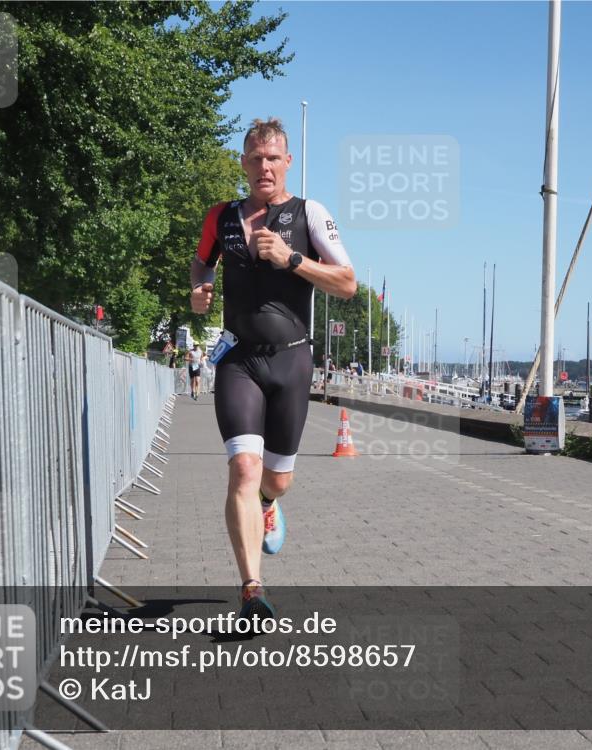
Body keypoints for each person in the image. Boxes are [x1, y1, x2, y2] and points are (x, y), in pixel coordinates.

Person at [190, 117, 356, 620]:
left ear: (287, 163)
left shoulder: (309, 213)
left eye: (273, 158)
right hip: (238, 359)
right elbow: (200, 263)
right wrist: (199, 289)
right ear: (242, 163)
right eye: (255, 158)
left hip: (292, 361)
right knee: (242, 467)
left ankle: (269, 501)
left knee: (276, 480)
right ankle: (251, 589)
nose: (264, 167)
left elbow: (347, 282)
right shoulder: (220, 217)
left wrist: (292, 260)